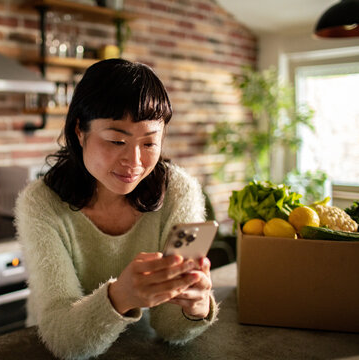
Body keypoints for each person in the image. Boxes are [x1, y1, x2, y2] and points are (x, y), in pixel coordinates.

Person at [14, 58, 218, 360]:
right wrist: (120, 296)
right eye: (116, 140)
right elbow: (64, 338)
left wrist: (196, 305)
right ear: (80, 131)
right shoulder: (41, 202)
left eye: (149, 144)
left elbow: (171, 329)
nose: (134, 161)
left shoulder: (178, 191)